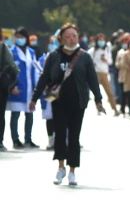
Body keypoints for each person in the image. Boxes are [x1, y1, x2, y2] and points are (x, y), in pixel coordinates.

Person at [31, 23, 105, 185]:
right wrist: (34, 98)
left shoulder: (84, 56)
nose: (71, 39)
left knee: (74, 136)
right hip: (58, 102)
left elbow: (92, 79)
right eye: (68, 36)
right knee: (60, 135)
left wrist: (98, 100)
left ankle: (72, 170)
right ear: (61, 38)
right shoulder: (54, 56)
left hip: (79, 102)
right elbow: (44, 78)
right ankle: (60, 167)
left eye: (74, 36)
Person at [9, 28, 41, 147]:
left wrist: (37, 87)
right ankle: (15, 140)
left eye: (21, 36)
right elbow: (9, 71)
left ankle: (28, 139)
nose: (19, 39)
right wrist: (12, 86)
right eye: (17, 36)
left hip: (30, 88)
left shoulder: (31, 52)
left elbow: (36, 71)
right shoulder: (11, 52)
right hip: (17, 88)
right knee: (15, 114)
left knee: (29, 114)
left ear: (26, 38)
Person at [90, 33, 118, 116]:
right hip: (96, 73)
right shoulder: (93, 50)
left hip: (104, 73)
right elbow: (88, 60)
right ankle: (98, 108)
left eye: (102, 40)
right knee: (96, 92)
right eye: (99, 40)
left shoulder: (107, 49)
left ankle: (115, 109)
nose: (101, 41)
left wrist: (105, 59)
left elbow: (110, 62)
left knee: (109, 92)